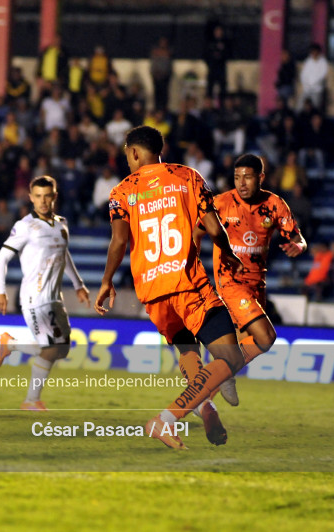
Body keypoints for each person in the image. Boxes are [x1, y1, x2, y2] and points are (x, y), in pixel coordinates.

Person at [95, 126, 245, 449]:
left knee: (189, 351)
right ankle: (165, 420)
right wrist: (229, 253)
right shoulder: (187, 177)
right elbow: (213, 228)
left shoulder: (122, 192)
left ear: (134, 153)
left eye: (126, 156)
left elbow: (119, 241)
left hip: (153, 293)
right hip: (187, 284)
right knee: (231, 357)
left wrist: (106, 281)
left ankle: (206, 404)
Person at [186, 154, 307, 407]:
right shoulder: (220, 203)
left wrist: (299, 246)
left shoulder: (274, 204)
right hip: (229, 282)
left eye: (248, 177)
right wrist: (193, 267)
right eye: (237, 177)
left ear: (260, 178)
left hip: (256, 286)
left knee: (238, 351)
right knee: (265, 337)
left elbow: (297, 237)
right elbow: (196, 232)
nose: (242, 183)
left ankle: (203, 396)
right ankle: (219, 378)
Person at [0, 176, 90, 410]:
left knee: (63, 348)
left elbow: (63, 255)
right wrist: (0, 291)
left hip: (55, 297)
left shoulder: (61, 223)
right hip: (34, 298)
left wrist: (78, 285)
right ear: (30, 198)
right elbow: (2, 258)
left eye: (47, 196)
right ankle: (31, 401)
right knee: (50, 349)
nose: (43, 201)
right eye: (38, 196)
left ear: (54, 196)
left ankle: (11, 344)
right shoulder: (25, 226)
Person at [297, 43, 329, 112]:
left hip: (317, 89)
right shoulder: (308, 61)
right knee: (300, 106)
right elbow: (303, 75)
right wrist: (306, 84)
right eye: (312, 51)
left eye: (315, 51)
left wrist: (313, 83)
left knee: (315, 107)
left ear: (318, 52)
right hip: (307, 89)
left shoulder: (323, 62)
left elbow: (322, 75)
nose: (313, 53)